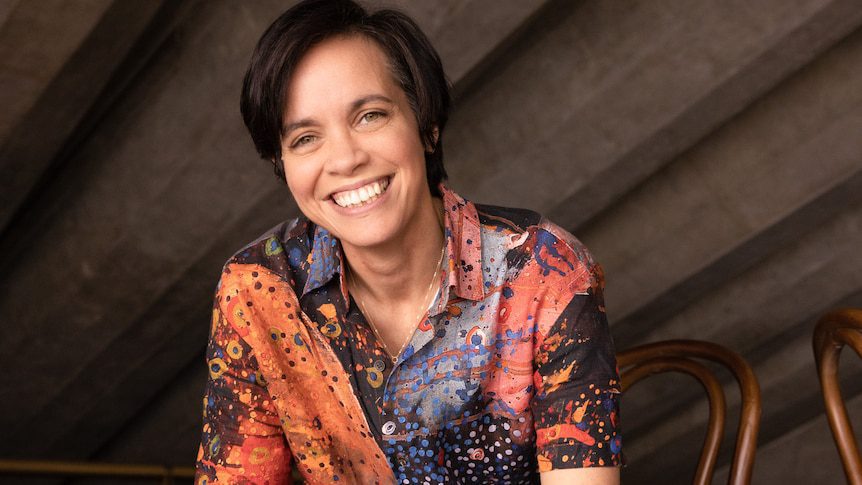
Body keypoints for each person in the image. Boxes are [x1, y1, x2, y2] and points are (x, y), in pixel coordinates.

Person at [195, 0, 622, 483]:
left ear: (427, 126)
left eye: (370, 116)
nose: (344, 159)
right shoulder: (258, 290)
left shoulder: (544, 271)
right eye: (305, 138)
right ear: (283, 165)